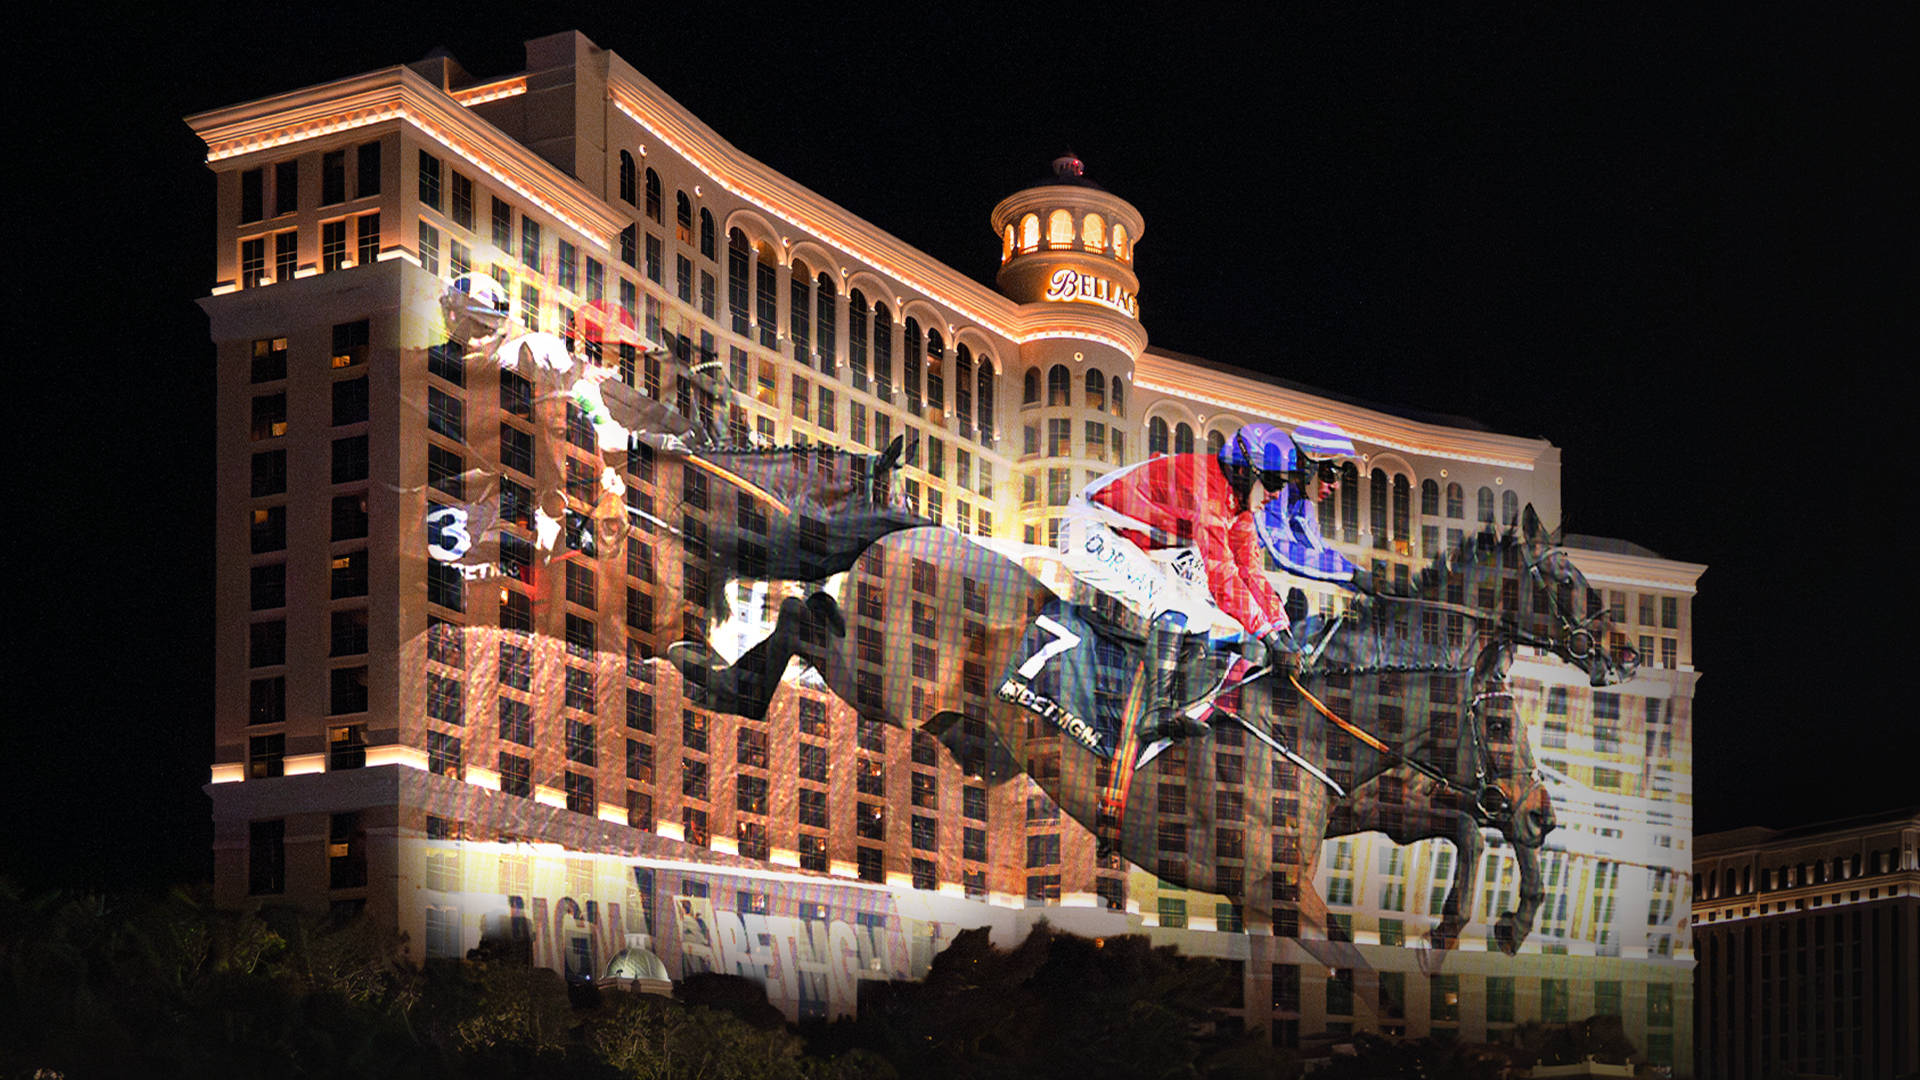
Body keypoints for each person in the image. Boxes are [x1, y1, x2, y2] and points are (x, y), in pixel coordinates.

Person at [1058, 419, 1369, 737]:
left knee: (1201, 613)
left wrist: (1283, 633)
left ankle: (1177, 708)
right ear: (1245, 471)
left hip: (1143, 537)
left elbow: (1250, 571)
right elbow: (1223, 580)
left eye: (1284, 484)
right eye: (1274, 482)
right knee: (1173, 604)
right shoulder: (1209, 495)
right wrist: (1269, 640)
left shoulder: (1241, 508)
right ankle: (1157, 712)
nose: (1277, 495)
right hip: (1089, 526)